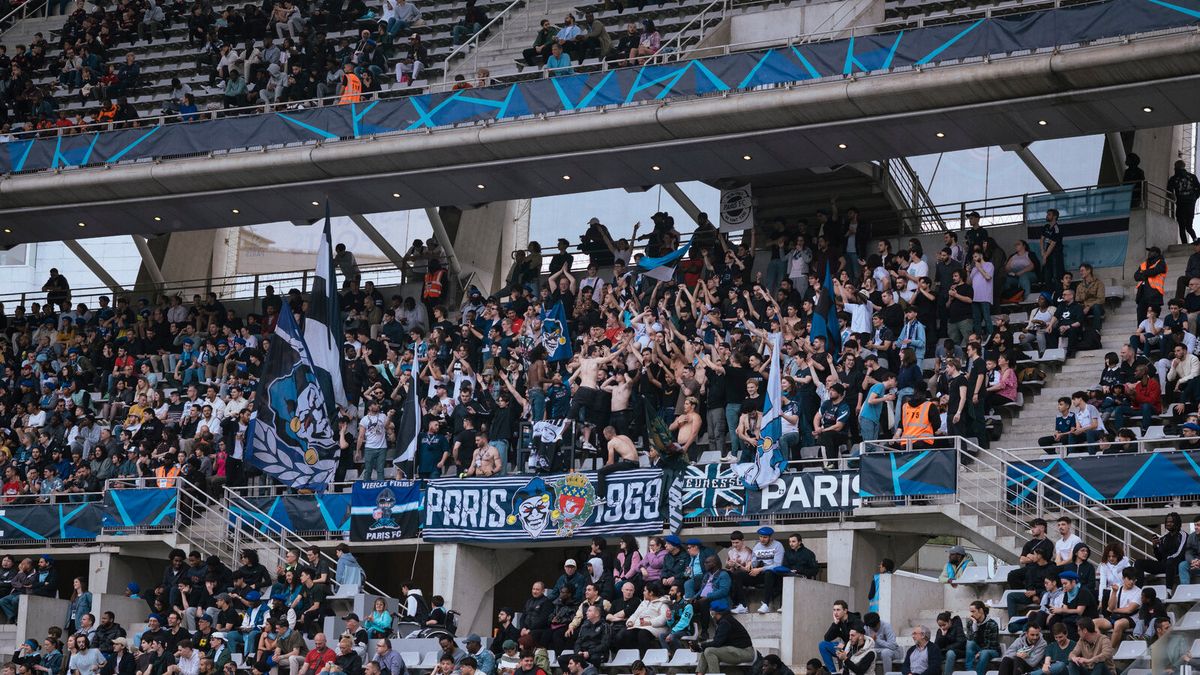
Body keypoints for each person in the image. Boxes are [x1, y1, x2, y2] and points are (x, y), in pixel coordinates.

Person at [695, 600, 754, 674]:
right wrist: (701, 647)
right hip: (737, 650)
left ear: (716, 612)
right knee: (706, 651)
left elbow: (717, 643)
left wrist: (701, 645)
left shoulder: (725, 623)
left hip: (746, 652)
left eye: (711, 610)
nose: (710, 613)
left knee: (709, 651)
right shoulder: (724, 621)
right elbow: (718, 641)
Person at [1168, 160, 1200, 244]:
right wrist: (1194, 198)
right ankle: (1196, 240)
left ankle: (1184, 244)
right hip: (1190, 204)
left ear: (1175, 167)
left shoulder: (1173, 179)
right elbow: (1198, 189)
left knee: (1182, 226)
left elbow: (1169, 192)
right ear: (1184, 166)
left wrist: (1174, 199)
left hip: (1181, 204)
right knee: (1189, 226)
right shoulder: (1192, 177)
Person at [965, 602, 1000, 675]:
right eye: (970, 612)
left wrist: (981, 652)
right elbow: (970, 640)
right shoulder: (970, 623)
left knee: (984, 653)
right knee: (970, 643)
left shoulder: (992, 624)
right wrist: (975, 628)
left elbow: (992, 645)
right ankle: (970, 672)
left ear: (980, 610)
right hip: (978, 648)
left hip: (992, 650)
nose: (971, 614)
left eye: (973, 611)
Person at [818, 600, 851, 672]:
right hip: (843, 646)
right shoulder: (839, 622)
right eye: (834, 610)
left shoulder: (852, 621)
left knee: (840, 647)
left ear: (845, 611)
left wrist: (845, 645)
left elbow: (856, 640)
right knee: (823, 645)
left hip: (851, 648)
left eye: (838, 610)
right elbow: (827, 638)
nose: (835, 612)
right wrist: (835, 623)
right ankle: (832, 672)